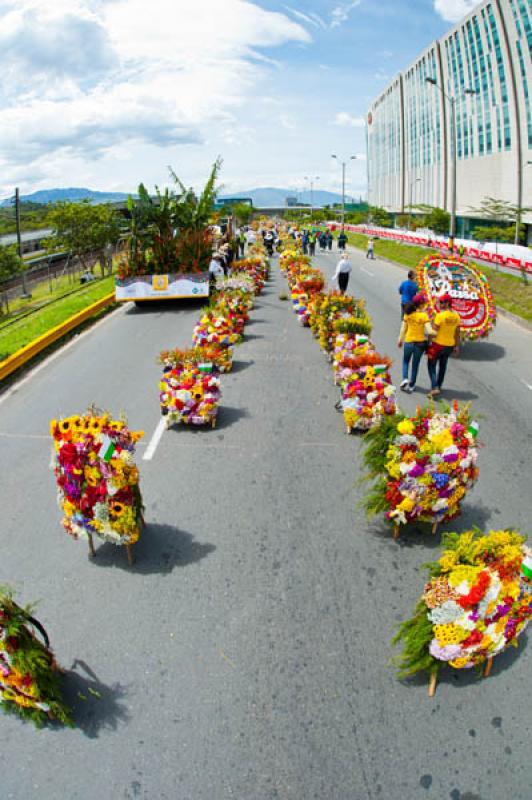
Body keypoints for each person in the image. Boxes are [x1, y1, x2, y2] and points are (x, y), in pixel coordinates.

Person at [426, 293, 461, 397]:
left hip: (437, 345)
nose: (440, 304)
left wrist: (428, 343)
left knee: (431, 364)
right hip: (449, 346)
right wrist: (457, 346)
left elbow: (433, 332)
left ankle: (435, 386)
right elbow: (457, 333)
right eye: (439, 302)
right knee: (443, 365)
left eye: (442, 302)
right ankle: (439, 385)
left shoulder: (440, 316)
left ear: (447, 303)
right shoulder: (456, 316)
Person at [397, 294, 430, 393]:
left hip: (409, 342)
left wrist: (400, 340)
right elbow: (429, 331)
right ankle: (412, 385)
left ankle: (405, 378)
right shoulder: (424, 316)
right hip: (420, 344)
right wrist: (437, 332)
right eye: (423, 302)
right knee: (415, 364)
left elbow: (403, 329)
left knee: (406, 361)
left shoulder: (407, 314)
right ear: (420, 304)